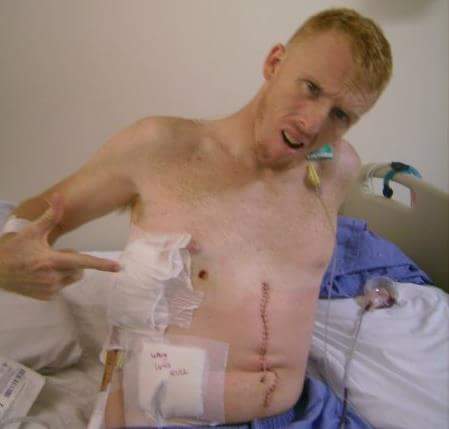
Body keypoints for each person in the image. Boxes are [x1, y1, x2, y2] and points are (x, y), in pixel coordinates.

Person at [0, 7, 392, 427]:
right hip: (167, 418)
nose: (313, 124)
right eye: (311, 88)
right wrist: (5, 259)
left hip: (300, 414)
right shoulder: (159, 147)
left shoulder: (338, 168)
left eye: (341, 115)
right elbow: (40, 214)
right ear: (275, 63)